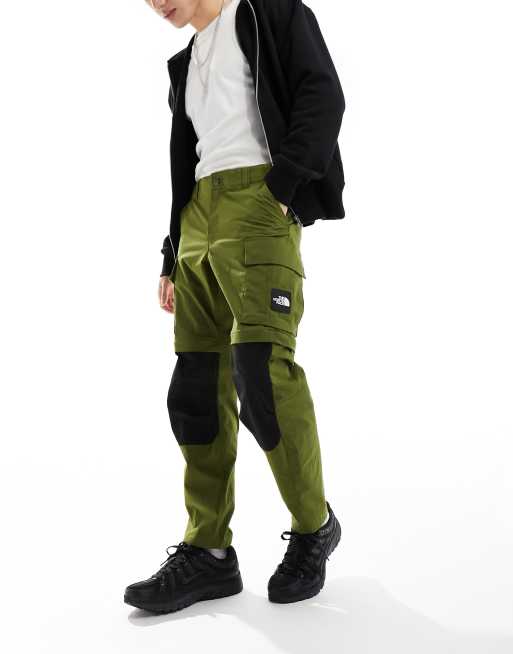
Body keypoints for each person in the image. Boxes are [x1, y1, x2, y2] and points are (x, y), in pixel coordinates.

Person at [124, 0, 345, 613]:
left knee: (262, 372)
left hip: (259, 204)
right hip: (198, 218)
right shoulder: (185, 62)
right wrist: (172, 251)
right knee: (196, 387)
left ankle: (313, 527)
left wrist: (284, 186)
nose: (154, 2)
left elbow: (323, 97)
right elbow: (185, 161)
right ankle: (209, 553)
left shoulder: (272, 14)